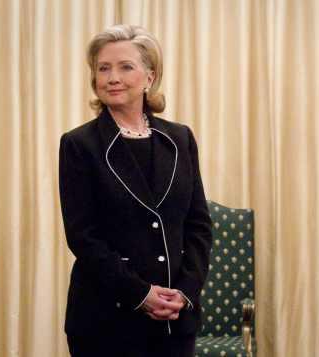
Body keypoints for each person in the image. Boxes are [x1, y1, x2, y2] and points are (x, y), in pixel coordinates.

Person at [59, 24, 212, 357]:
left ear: (150, 76)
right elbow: (83, 237)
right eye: (103, 68)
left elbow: (198, 226)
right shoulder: (79, 144)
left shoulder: (180, 138)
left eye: (125, 66)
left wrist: (185, 293)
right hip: (105, 321)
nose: (112, 77)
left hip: (174, 322)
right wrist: (141, 294)